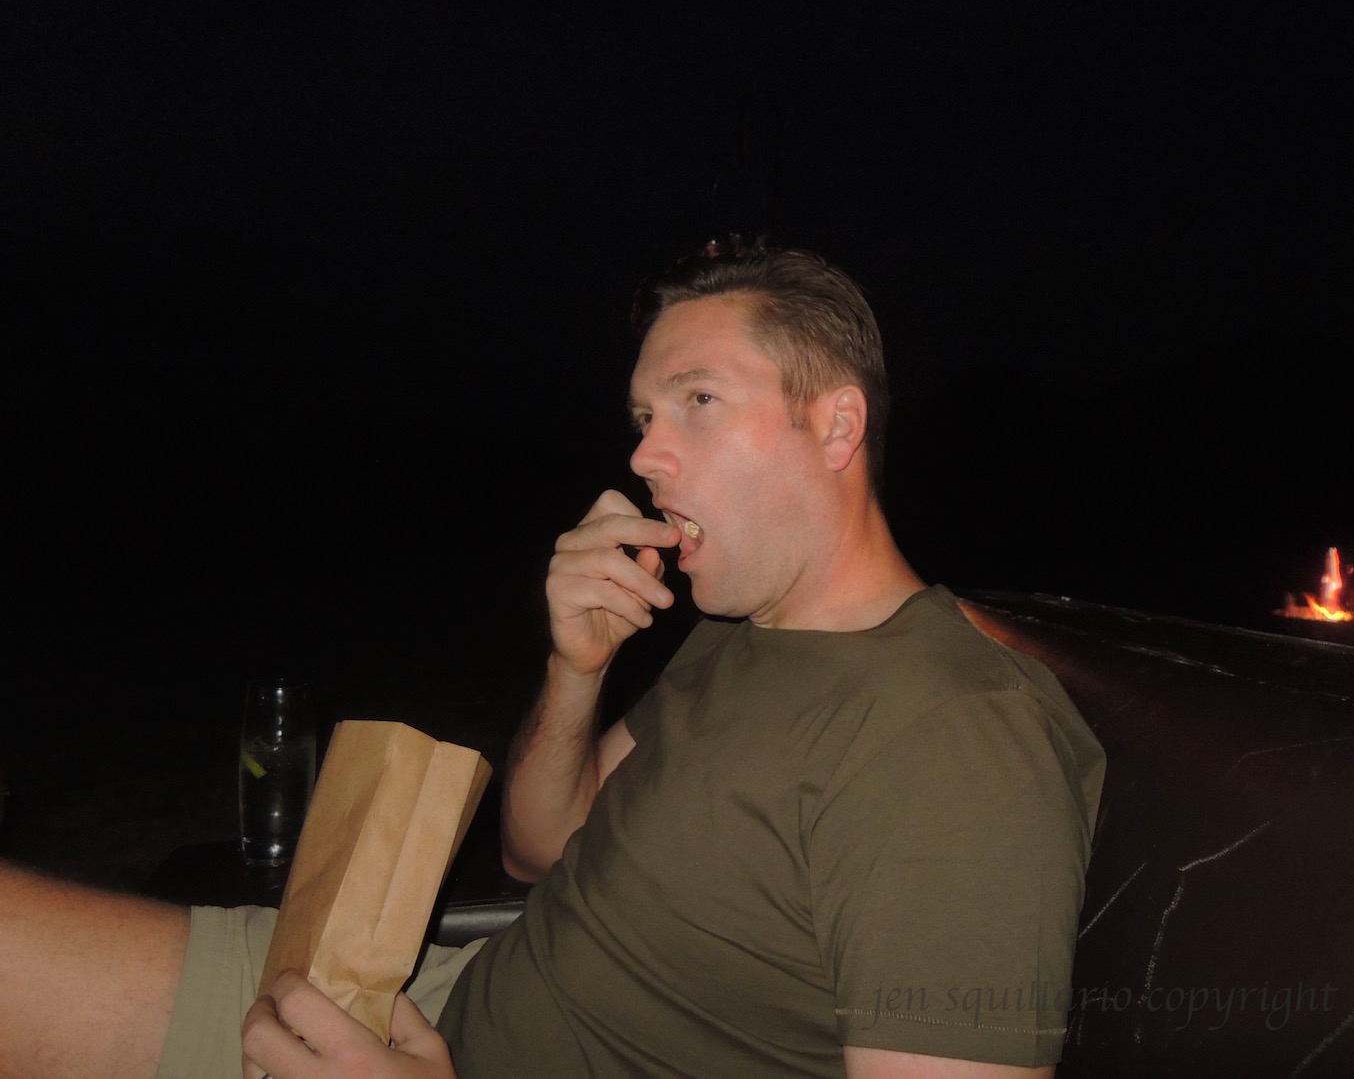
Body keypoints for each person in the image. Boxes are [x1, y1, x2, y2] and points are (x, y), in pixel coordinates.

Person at [0, 238, 1104, 1078]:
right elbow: (536, 850)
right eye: (640, 413)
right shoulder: (736, 637)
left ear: (835, 428)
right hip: (427, 990)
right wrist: (577, 667)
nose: (642, 453)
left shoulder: (955, 738)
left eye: (698, 404)